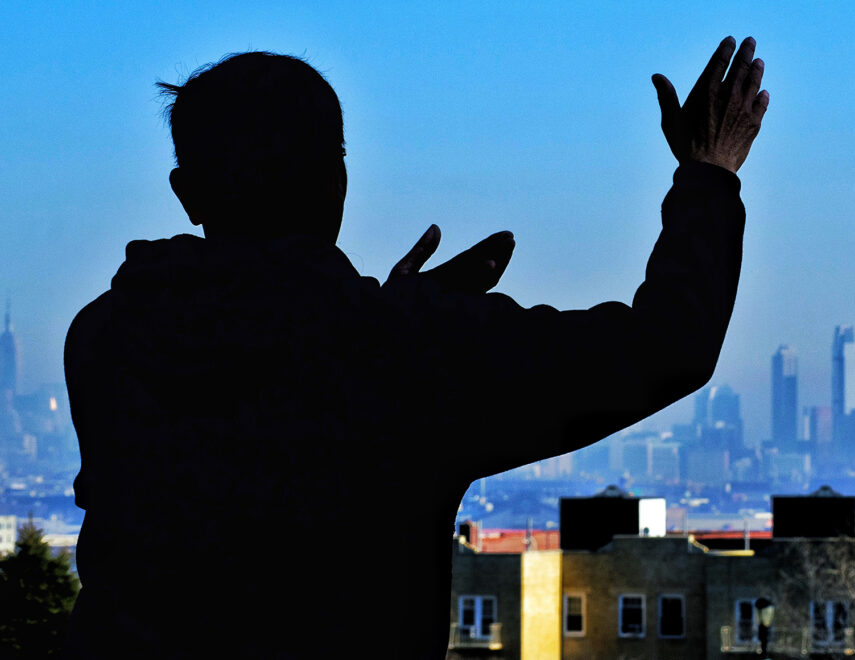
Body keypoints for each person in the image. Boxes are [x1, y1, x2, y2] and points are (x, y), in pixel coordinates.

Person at [63, 36, 768, 659]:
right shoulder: (411, 355)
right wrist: (709, 173)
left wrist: (398, 314)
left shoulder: (102, 339)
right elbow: (668, 345)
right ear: (336, 181)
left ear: (188, 194)